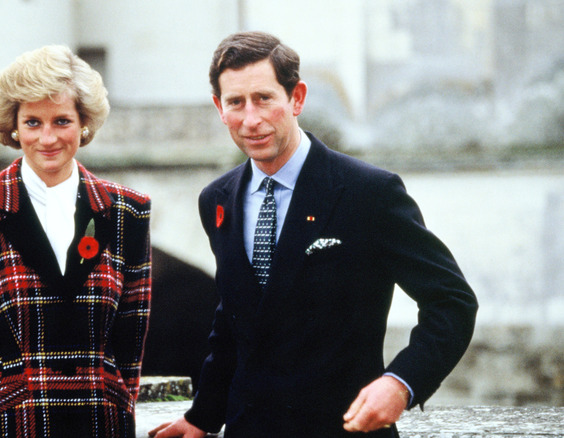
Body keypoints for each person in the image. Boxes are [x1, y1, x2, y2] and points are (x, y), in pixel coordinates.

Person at [150, 31, 477, 438]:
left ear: (297, 98)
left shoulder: (369, 192)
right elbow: (234, 321)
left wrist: (401, 383)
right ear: (220, 107)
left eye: (264, 98)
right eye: (236, 102)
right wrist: (202, 417)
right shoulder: (216, 200)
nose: (250, 120)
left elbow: (452, 302)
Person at [0, 45, 152, 438]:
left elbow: (130, 340)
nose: (47, 138)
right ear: (13, 127)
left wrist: (119, 407)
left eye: (61, 120)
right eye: (33, 122)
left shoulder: (127, 211)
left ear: (83, 124)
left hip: (103, 425)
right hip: (8, 427)